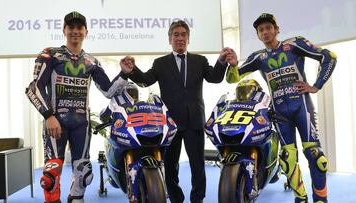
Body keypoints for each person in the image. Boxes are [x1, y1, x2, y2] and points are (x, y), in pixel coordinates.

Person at [119, 20, 236, 203]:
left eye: (183, 35)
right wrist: (131, 70)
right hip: (169, 124)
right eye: (176, 35)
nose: (180, 38)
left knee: (198, 166)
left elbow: (214, 78)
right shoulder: (160, 63)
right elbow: (145, 80)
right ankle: (176, 198)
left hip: (194, 121)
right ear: (170, 39)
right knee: (171, 167)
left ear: (188, 39)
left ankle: (197, 199)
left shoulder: (200, 60)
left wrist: (221, 62)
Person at [226, 13, 337, 203]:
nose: (265, 32)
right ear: (258, 35)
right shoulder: (258, 57)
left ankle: (320, 200)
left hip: (302, 107)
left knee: (316, 156)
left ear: (277, 29)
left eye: (269, 27)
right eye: (261, 30)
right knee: (287, 159)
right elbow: (232, 79)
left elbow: (329, 57)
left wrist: (316, 85)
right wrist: (234, 65)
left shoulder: (294, 44)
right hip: (279, 113)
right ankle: (300, 198)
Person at [25, 11, 128, 203]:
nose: (75, 31)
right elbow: (34, 88)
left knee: (83, 174)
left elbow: (108, 90)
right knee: (51, 178)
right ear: (64, 30)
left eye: (79, 28)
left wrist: (124, 73)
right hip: (55, 122)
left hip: (82, 124)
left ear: (86, 32)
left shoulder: (91, 61)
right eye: (71, 27)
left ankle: (76, 198)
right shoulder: (50, 55)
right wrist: (49, 116)